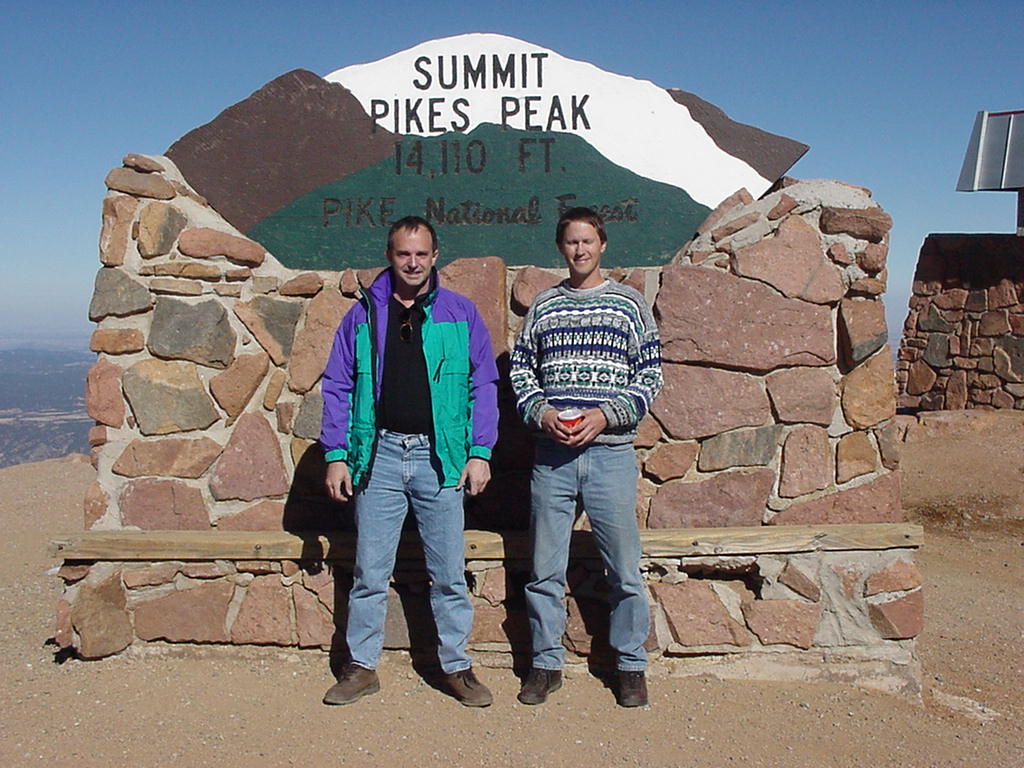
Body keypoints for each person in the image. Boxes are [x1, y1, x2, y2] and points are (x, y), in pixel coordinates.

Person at [319, 215, 499, 707]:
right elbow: (337, 386)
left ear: (435, 256)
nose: (413, 263)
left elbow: (482, 384)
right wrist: (337, 456)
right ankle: (360, 667)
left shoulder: (460, 313)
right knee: (370, 573)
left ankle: (457, 668)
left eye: (421, 254)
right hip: (377, 455)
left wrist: (480, 451)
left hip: (439, 458)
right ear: (390, 256)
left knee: (447, 572)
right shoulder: (363, 314)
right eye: (403, 254)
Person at [509, 207, 663, 708]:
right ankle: (545, 664)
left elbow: (650, 374)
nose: (580, 250)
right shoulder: (545, 306)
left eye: (588, 242)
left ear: (603, 245)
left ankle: (630, 665)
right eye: (571, 243)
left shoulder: (628, 305)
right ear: (562, 248)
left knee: (623, 568)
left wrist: (607, 414)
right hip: (552, 456)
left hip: (611, 454)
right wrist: (540, 412)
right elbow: (522, 370)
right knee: (544, 569)